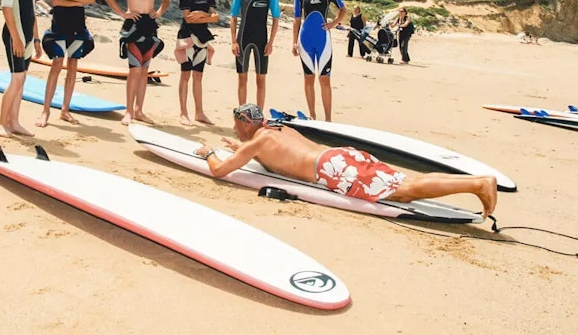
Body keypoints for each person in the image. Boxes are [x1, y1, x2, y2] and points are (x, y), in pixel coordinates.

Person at [194, 104, 498, 218]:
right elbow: (276, 157)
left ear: (247, 122)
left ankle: (477, 184)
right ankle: (477, 182)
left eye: (237, 125)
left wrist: (209, 153)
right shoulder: (278, 128)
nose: (235, 129)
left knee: (406, 192)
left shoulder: (257, 141)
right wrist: (241, 147)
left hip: (332, 170)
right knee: (404, 181)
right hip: (341, 156)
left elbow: (220, 171)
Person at [102, 0, 170, 126]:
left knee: (145, 70)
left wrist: (160, 12)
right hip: (133, 24)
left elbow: (166, 0)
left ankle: (139, 110)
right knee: (135, 70)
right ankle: (129, 111)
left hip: (150, 24)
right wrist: (123, 13)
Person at [35, 0, 94, 128]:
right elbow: (55, 1)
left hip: (78, 24)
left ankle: (65, 110)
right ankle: (45, 111)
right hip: (60, 22)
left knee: (73, 66)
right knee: (57, 64)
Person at [0, 0, 41, 136]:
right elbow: (7, 10)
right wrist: (16, 38)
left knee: (21, 81)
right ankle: (1, 122)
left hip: (28, 37)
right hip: (15, 36)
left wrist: (36, 39)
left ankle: (14, 122)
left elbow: (31, 12)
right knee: (16, 79)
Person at [292, 0, 347, 122]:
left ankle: (328, 119)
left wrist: (334, 23)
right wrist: (294, 42)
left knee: (324, 79)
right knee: (308, 78)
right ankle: (312, 115)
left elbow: (343, 9)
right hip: (305, 41)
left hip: (323, 41)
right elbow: (296, 19)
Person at [230, 0, 281, 111]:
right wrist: (233, 41)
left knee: (261, 79)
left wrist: (271, 43)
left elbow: (276, 18)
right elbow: (233, 17)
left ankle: (259, 115)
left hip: (262, 41)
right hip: (243, 39)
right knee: (242, 79)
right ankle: (242, 114)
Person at [175, 0, 218, 126]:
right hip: (187, 37)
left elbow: (215, 17)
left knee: (198, 76)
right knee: (185, 74)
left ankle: (199, 112)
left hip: (203, 39)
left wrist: (201, 14)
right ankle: (183, 113)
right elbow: (188, 19)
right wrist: (206, 16)